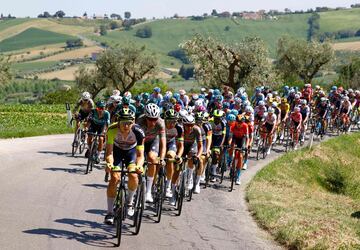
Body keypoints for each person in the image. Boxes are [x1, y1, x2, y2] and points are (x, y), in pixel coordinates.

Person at [104, 108, 145, 224]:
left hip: (131, 153)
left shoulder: (138, 131)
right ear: (118, 121)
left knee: (133, 175)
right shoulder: (112, 129)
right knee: (115, 178)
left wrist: (139, 166)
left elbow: (140, 155)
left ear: (133, 122)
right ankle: (110, 213)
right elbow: (109, 153)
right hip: (116, 152)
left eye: (129, 123)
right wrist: (109, 164)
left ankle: (130, 202)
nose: (126, 126)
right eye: (123, 123)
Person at [136, 103, 166, 203]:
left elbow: (163, 143)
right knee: (137, 161)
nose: (153, 122)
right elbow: (136, 138)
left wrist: (161, 158)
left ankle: (148, 191)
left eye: (155, 119)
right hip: (142, 140)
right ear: (145, 116)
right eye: (150, 119)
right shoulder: (140, 120)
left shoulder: (160, 123)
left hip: (154, 141)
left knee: (152, 158)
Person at [163, 109, 184, 200]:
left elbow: (181, 145)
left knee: (171, 156)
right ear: (165, 120)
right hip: (160, 143)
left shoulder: (179, 128)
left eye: (174, 121)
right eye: (169, 121)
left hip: (171, 144)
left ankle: (168, 185)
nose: (172, 123)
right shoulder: (161, 126)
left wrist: (178, 155)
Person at [182, 114, 203, 191]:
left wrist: (198, 156)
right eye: (187, 125)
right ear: (183, 124)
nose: (189, 127)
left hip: (192, 145)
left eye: (191, 125)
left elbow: (200, 146)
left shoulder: (197, 129)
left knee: (192, 157)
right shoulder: (181, 129)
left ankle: (190, 178)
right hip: (182, 145)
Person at [229, 115, 249, 185]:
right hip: (235, 138)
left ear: (243, 122)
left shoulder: (245, 126)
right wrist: (230, 143)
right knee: (231, 148)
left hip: (242, 139)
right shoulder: (233, 125)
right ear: (236, 122)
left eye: (241, 123)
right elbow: (231, 137)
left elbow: (247, 138)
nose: (239, 124)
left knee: (240, 157)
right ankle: (230, 160)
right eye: (238, 122)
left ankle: (238, 177)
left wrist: (246, 146)